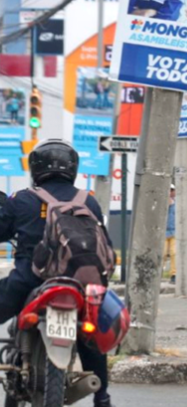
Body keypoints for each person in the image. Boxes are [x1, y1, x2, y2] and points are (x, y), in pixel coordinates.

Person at [0, 140, 114, 407]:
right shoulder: (89, 200)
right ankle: (103, 396)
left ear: (35, 167)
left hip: (31, 277)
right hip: (81, 281)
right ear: (72, 167)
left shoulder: (23, 199)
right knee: (90, 333)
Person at [164, 185, 176, 283]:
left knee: (174, 253)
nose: (171, 192)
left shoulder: (177, 203)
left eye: (172, 190)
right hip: (163, 232)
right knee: (163, 253)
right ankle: (158, 272)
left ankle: (174, 274)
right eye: (170, 190)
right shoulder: (163, 203)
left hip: (174, 231)